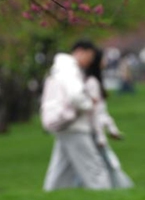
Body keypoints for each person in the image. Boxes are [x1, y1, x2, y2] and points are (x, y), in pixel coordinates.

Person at [42, 41, 111, 191]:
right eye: (90, 56)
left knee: (60, 172)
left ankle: (51, 194)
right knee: (94, 169)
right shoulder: (69, 70)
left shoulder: (59, 69)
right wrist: (89, 103)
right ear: (81, 51)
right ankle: (104, 193)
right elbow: (75, 96)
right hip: (75, 126)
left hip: (66, 125)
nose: (91, 61)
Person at [84, 50, 133, 189]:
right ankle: (120, 189)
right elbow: (94, 112)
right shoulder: (92, 83)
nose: (106, 62)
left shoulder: (95, 81)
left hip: (95, 131)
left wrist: (112, 129)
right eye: (103, 59)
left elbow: (101, 112)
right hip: (93, 132)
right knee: (108, 164)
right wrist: (100, 136)